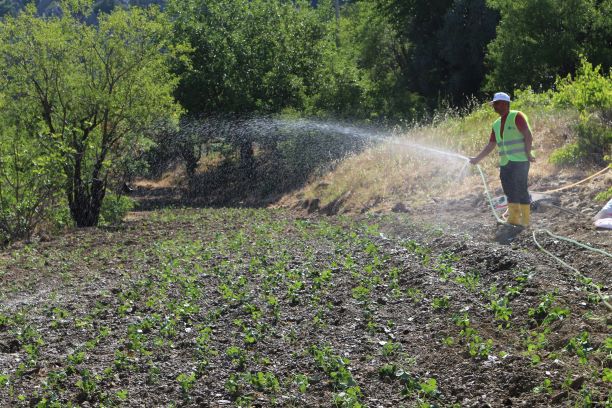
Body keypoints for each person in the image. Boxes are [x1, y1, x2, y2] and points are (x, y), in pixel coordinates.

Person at [469, 92, 535, 228]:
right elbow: (491, 144)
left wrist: (528, 153)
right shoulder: (496, 124)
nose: (494, 107)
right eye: (494, 104)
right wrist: (477, 159)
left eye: (496, 104)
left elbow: (528, 134)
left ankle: (525, 221)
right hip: (505, 163)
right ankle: (514, 219)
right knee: (509, 190)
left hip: (520, 160)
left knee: (521, 189)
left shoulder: (517, 116)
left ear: (505, 104)